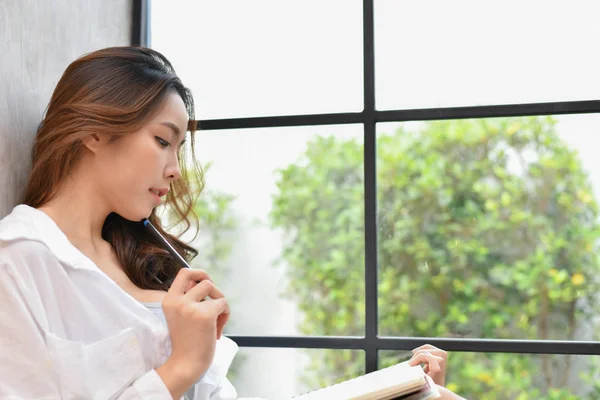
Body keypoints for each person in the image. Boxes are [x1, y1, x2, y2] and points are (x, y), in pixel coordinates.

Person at [0, 46, 465, 400]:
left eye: (179, 149)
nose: (175, 169)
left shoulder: (143, 262)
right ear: (94, 130)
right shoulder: (17, 262)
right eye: (163, 140)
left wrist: (396, 390)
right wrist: (182, 365)